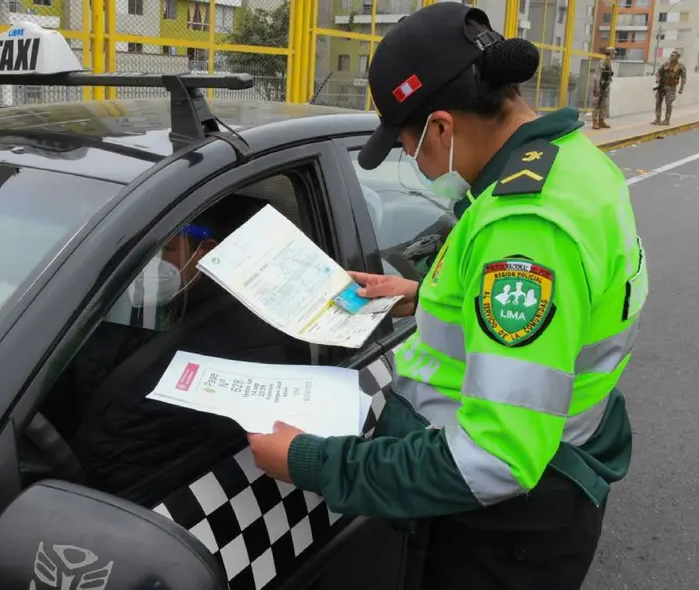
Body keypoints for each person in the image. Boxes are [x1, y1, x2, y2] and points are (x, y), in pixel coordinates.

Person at [247, 4, 645, 590]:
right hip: (555, 475)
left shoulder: (524, 230)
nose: (414, 161)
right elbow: (568, 310)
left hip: (505, 536)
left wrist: (311, 461)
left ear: (440, 126)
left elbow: (496, 459)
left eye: (406, 144)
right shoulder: (573, 164)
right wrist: (425, 296)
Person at [44, 195, 309, 507]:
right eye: (135, 249)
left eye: (162, 250)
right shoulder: (115, 305)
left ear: (204, 253)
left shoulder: (248, 344)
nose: (144, 264)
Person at [654, 49, 687, 125]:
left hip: (671, 88)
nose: (671, 57)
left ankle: (667, 119)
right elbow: (658, 72)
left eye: (673, 56)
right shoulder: (666, 64)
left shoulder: (681, 66)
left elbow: (684, 78)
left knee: (668, 103)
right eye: (671, 55)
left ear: (677, 57)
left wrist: (681, 88)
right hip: (661, 86)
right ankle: (657, 118)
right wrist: (657, 78)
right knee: (658, 102)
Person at [592, 46, 615, 129]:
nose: (614, 55)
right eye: (613, 53)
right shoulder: (602, 62)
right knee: (597, 104)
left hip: (606, 86)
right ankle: (595, 122)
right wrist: (597, 87)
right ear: (610, 53)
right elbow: (597, 75)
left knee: (604, 104)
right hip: (600, 86)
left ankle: (601, 121)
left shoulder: (608, 62)